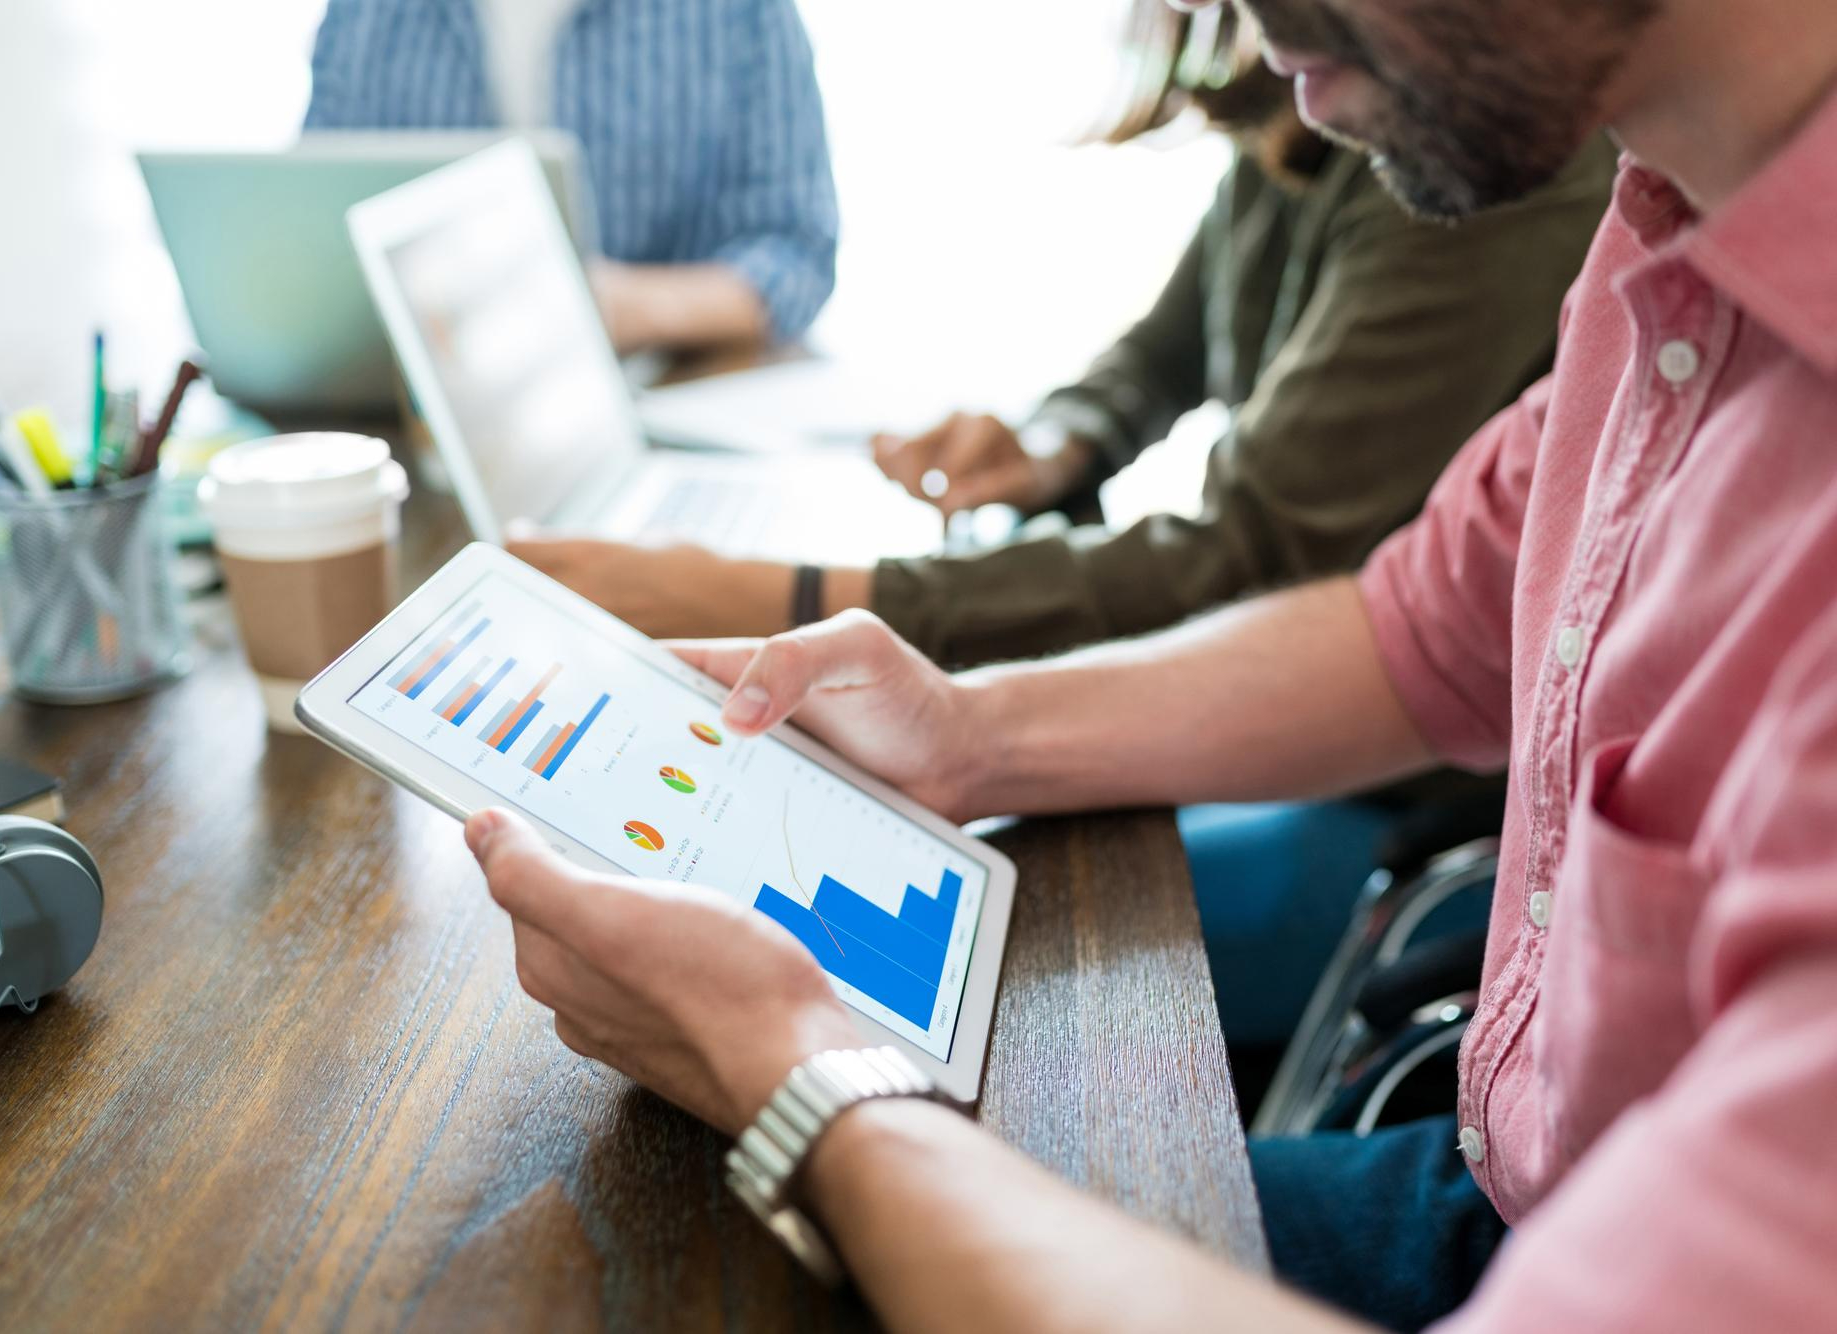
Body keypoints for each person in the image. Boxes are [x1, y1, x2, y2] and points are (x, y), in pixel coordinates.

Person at [458, 0, 1837, 1327]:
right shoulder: (1666, 225)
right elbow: (1433, 621)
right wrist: (969, 734)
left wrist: (804, 1078)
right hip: (1517, 1184)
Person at [510, 7, 1616, 1051]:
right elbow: (1166, 357)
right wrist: (1059, 441)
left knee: (929, 957)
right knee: (875, 894)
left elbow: (1250, 557)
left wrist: (802, 596)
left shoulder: (1462, 143)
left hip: (1396, 815)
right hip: (1311, 727)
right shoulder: (1305, 104)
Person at [304, 0, 838, 351]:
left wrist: (630, 307)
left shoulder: (737, 14)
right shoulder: (366, 14)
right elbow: (307, 214)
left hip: (661, 389)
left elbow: (797, 249)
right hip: (406, 401)